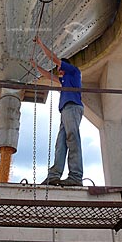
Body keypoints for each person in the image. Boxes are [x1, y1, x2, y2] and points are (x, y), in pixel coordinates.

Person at [31, 36, 84, 187]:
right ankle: (54, 175)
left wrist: (41, 43)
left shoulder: (73, 72)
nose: (58, 71)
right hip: (65, 110)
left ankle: (76, 176)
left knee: (72, 138)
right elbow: (49, 76)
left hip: (73, 107)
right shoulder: (63, 80)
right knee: (61, 142)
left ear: (64, 67)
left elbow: (53, 58)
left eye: (60, 68)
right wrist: (35, 66)